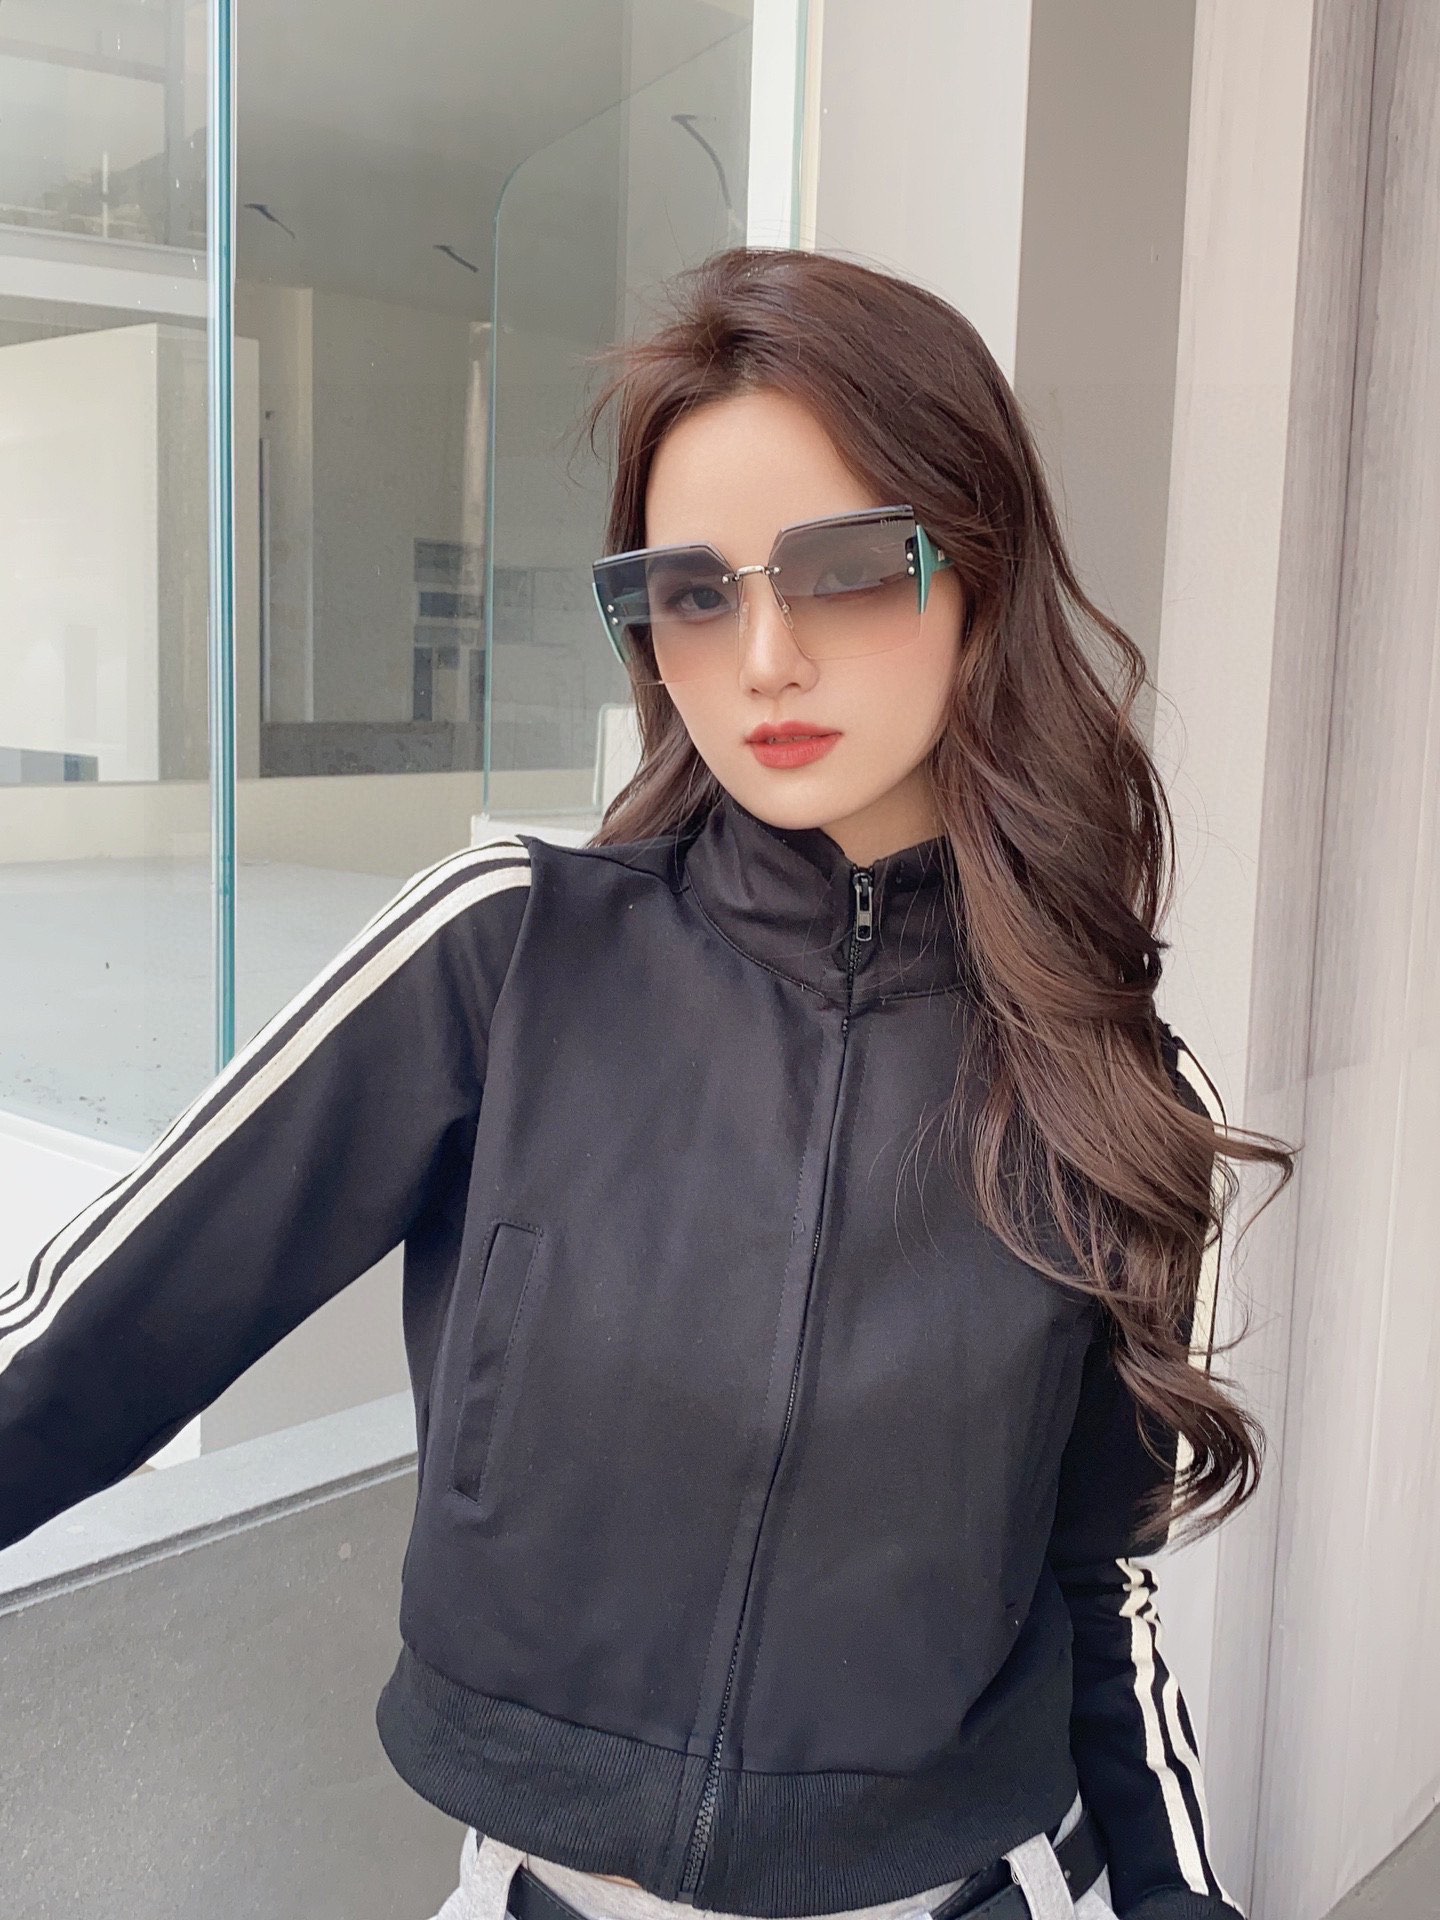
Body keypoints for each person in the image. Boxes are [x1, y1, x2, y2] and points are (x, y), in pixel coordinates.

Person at [0, 247, 1294, 1920]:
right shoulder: (504, 959)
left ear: (976, 568)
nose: (762, 659)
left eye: (844, 570)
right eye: (692, 591)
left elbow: (1097, 1588)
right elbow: (87, 1346)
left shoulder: (1105, 1081)